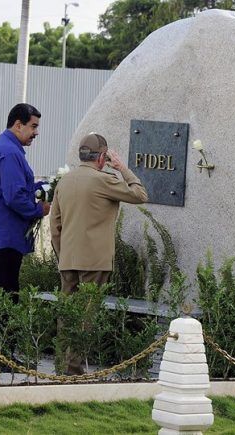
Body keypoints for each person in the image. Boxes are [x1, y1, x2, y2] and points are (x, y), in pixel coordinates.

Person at [50, 133, 148, 374]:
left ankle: (63, 366)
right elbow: (140, 195)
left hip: (68, 259)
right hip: (95, 260)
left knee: (66, 315)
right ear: (103, 157)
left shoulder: (66, 181)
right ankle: (73, 370)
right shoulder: (104, 180)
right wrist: (123, 169)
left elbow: (55, 225)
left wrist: (63, 254)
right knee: (86, 314)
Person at [0, 103, 51, 370]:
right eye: (33, 126)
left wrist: (39, 187)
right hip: (6, 236)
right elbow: (15, 196)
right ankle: (1, 356)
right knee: (5, 297)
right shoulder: (9, 152)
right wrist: (40, 208)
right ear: (18, 125)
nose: (36, 132)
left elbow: (14, 188)